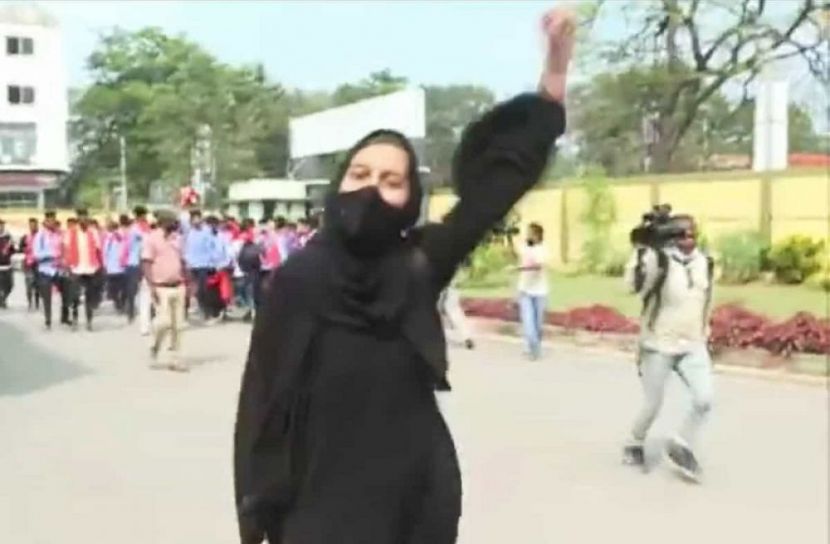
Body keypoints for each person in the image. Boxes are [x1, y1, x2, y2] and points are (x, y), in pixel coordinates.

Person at [233, 8, 573, 543]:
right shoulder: (300, 279)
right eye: (360, 174)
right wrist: (254, 515)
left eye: (391, 181)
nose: (372, 189)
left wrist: (553, 77)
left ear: (411, 199)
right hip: (316, 503)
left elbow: (494, 192)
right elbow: (261, 396)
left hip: (415, 502)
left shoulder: (417, 265)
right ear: (338, 185)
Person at [622, 213, 715, 483]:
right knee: (653, 403)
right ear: (671, 237)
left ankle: (680, 444)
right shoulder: (659, 260)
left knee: (704, 399)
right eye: (681, 235)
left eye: (692, 234)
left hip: (692, 344)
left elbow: (705, 298)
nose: (688, 240)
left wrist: (704, 330)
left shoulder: (705, 262)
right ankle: (634, 442)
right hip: (659, 344)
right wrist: (642, 250)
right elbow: (633, 286)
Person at [142, 212, 188, 372]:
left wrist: (189, 282)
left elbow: (183, 261)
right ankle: (154, 347)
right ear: (162, 222)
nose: (174, 224)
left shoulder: (177, 239)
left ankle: (175, 359)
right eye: (171, 221)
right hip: (161, 287)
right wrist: (151, 286)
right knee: (163, 322)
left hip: (178, 285)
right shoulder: (152, 239)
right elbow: (146, 263)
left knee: (178, 326)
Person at [515, 222, 549, 360]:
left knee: (538, 325)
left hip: (540, 292)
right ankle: (533, 349)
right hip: (525, 291)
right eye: (528, 233)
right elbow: (518, 255)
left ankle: (534, 347)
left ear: (538, 235)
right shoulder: (525, 248)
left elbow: (537, 266)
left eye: (531, 233)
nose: (528, 235)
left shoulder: (543, 250)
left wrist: (519, 268)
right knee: (528, 323)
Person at [64, 210, 103, 331]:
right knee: (74, 296)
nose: (83, 220)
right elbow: (66, 249)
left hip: (90, 268)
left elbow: (99, 249)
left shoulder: (93, 232)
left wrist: (101, 266)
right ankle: (75, 319)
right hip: (76, 268)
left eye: (85, 218)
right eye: (81, 218)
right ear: (78, 219)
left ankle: (89, 321)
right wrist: (67, 265)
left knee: (89, 296)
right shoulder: (71, 232)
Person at [33, 211, 67, 329]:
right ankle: (48, 319)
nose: (52, 223)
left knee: (67, 292)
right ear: (46, 222)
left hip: (58, 269)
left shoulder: (59, 234)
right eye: (49, 220)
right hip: (45, 270)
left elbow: (64, 249)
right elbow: (37, 254)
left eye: (53, 220)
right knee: (47, 297)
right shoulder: (40, 236)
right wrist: (51, 254)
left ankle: (64, 316)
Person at [183, 209, 217, 321]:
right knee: (192, 289)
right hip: (192, 265)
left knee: (204, 289)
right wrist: (186, 262)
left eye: (197, 218)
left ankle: (206, 312)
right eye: (193, 219)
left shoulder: (207, 231)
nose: (195, 221)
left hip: (204, 265)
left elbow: (212, 247)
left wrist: (213, 262)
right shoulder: (189, 232)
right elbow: (187, 248)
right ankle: (191, 310)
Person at [103, 219, 129, 313]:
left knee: (117, 289)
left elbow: (105, 253)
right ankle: (119, 303)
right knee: (118, 289)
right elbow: (105, 253)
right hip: (116, 268)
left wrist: (105, 265)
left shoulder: (116, 237)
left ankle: (119, 303)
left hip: (117, 268)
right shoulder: (108, 238)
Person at [19, 217, 41, 311]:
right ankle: (29, 302)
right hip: (28, 263)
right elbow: (20, 248)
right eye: (31, 225)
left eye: (34, 225)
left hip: (38, 263)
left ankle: (37, 302)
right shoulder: (25, 237)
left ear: (37, 225)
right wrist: (24, 249)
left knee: (38, 284)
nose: (32, 227)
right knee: (28, 284)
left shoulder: (41, 236)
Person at [0, 219, 14, 309]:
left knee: (10, 285)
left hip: (8, 265)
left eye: (2, 225)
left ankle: (3, 298)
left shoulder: (8, 237)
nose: (1, 227)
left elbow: (13, 250)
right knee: (1, 286)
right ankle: (2, 300)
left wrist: (10, 250)